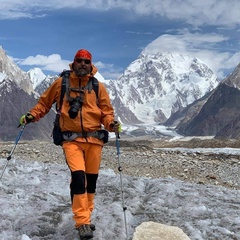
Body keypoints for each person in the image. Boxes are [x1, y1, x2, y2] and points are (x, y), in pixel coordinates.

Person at [19, 49, 120, 240]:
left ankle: (86, 217)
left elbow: (106, 112)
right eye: (79, 60)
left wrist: (111, 124)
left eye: (86, 61)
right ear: (73, 63)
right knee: (79, 178)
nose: (82, 64)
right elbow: (44, 104)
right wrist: (32, 116)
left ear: (91, 65)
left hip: (95, 140)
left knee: (91, 182)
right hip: (71, 140)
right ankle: (82, 222)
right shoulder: (61, 83)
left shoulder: (98, 86)